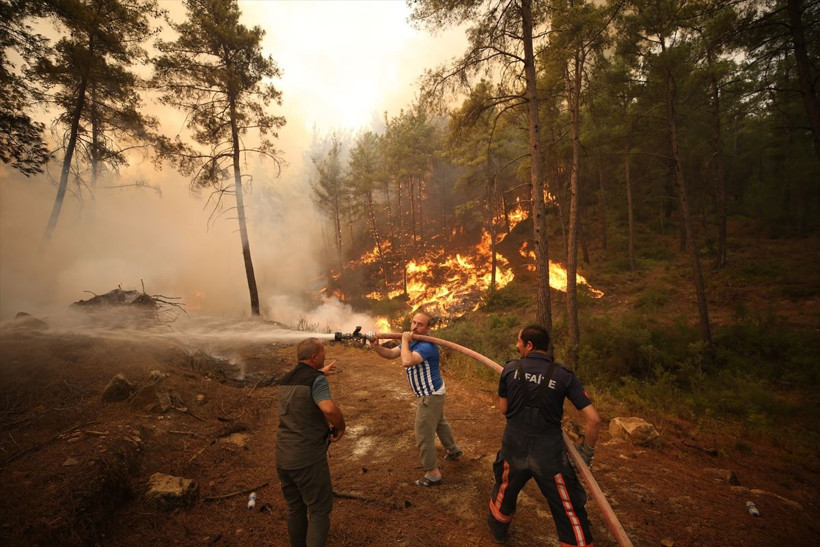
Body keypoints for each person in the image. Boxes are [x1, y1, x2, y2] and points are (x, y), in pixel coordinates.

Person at [487, 324, 601, 545]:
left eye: (519, 341)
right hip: (548, 456)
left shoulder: (510, 369)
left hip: (514, 448)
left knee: (505, 489)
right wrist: (586, 453)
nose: (517, 345)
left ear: (529, 345)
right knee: (567, 507)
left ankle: (498, 530)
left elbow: (504, 409)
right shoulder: (564, 375)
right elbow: (594, 419)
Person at [369, 310, 462, 486]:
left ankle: (433, 474)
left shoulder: (426, 346)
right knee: (439, 422)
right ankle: (453, 450)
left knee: (423, 435)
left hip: (430, 395)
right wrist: (376, 346)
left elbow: (407, 361)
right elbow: (391, 354)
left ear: (427, 328)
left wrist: (404, 340)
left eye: (420, 324)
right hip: (434, 393)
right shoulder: (413, 342)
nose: (414, 327)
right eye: (413, 322)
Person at [276, 337, 346, 547]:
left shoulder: (287, 379)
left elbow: (305, 382)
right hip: (307, 459)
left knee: (295, 508)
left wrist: (320, 372)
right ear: (315, 357)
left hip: (283, 458)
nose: (325, 354)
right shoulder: (316, 381)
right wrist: (341, 426)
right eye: (323, 351)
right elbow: (328, 409)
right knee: (319, 510)